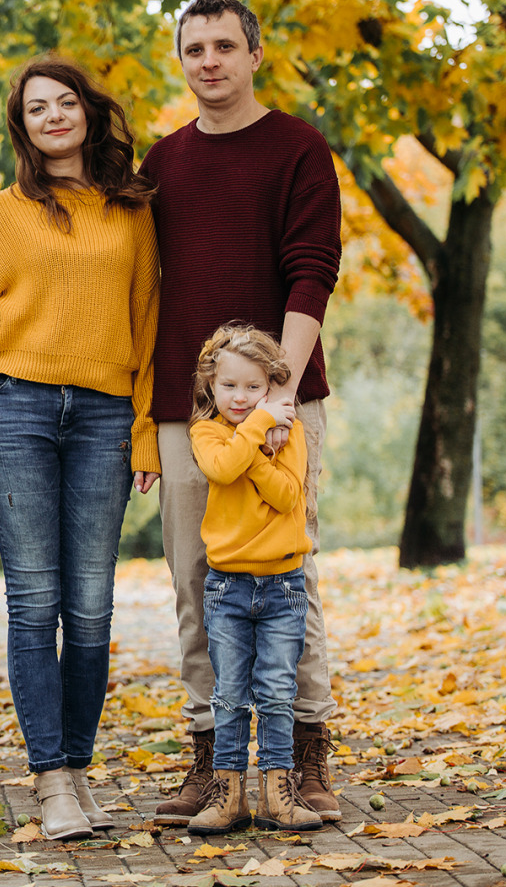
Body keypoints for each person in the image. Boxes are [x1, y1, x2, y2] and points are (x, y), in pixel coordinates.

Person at [0, 57, 160, 841]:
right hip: (12, 412)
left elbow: (148, 322)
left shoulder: (131, 210)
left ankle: (77, 768)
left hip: (103, 416)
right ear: (22, 127)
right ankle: (51, 778)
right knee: (35, 600)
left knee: (91, 605)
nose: (55, 116)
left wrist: (142, 431)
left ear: (88, 114)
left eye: (67, 103)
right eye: (38, 108)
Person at [142, 0, 343, 826]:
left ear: (255, 54)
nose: (210, 61)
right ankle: (212, 762)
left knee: (290, 575)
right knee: (196, 579)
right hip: (187, 414)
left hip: (286, 400)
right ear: (182, 61)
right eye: (195, 49)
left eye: (225, 45)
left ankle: (302, 761)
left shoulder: (298, 148)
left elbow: (312, 269)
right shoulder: (163, 163)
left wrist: (282, 393)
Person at [184, 324, 322, 835]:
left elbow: (288, 496)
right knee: (229, 693)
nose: (240, 398)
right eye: (229, 387)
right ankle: (228, 794)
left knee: (277, 690)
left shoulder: (291, 431)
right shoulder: (207, 431)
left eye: (253, 388)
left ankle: (279, 793)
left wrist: (256, 454)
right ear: (210, 387)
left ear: (271, 385)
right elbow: (221, 469)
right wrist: (258, 433)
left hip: (284, 586)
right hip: (228, 587)